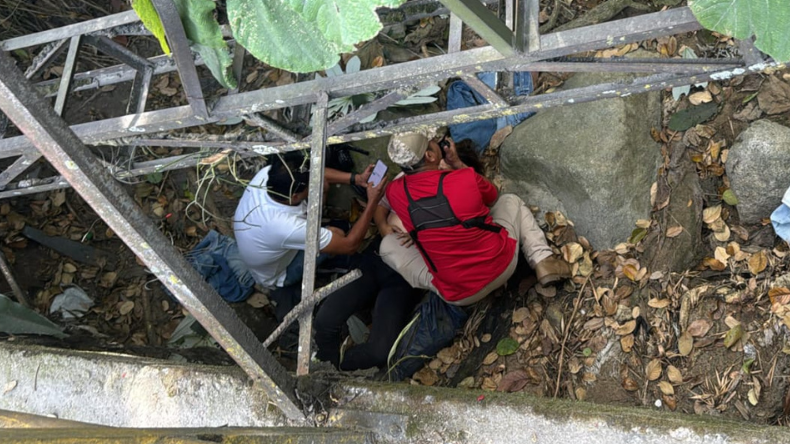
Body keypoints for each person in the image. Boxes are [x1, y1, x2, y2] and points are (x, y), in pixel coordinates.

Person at [378, 131, 571, 306]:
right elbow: (494, 198)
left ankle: (477, 293)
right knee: (510, 201)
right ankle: (543, 260)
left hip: (459, 295)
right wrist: (457, 165)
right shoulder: (464, 177)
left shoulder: (395, 191)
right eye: (433, 142)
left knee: (387, 247)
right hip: (500, 266)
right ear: (430, 156)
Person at [233, 152, 388, 347]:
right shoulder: (284, 226)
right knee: (337, 233)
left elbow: (317, 174)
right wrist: (373, 201)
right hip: (281, 272)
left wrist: (356, 179)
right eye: (308, 183)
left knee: (322, 186)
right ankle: (325, 261)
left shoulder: (271, 176)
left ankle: (321, 230)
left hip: (266, 245)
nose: (314, 180)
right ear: (295, 195)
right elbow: (350, 245)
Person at [313, 245, 422, 371]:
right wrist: (384, 225)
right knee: (324, 321)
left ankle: (338, 368)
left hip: (406, 276)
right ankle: (324, 370)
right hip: (377, 258)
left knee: (379, 352)